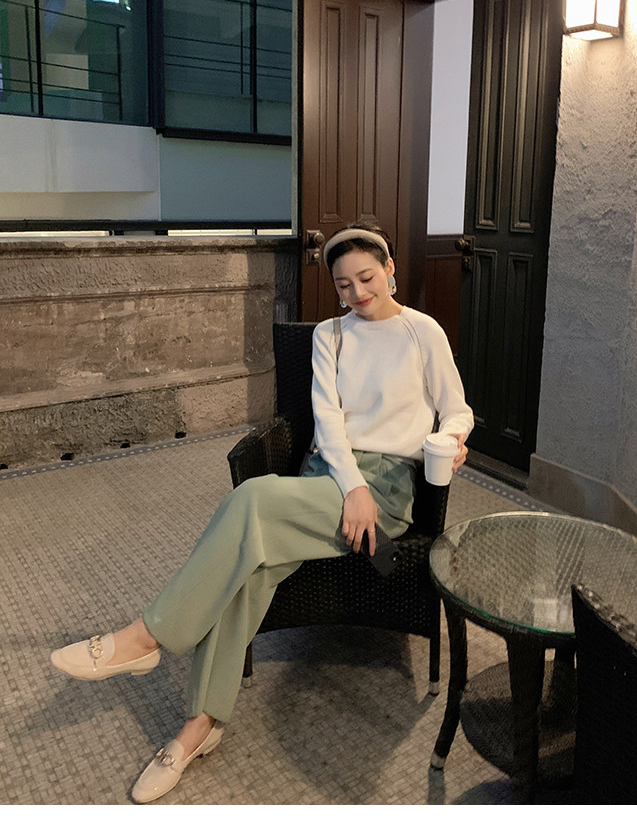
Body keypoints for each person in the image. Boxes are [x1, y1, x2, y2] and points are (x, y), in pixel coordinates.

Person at [50, 222, 473, 803]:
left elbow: (457, 409)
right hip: (329, 477)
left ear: (390, 269)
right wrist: (348, 485)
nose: (357, 292)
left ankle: (146, 637)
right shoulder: (330, 335)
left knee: (250, 498)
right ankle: (200, 726)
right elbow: (327, 420)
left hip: (387, 490)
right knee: (250, 570)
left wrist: (452, 439)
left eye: (367, 278)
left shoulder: (423, 332)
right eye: (343, 284)